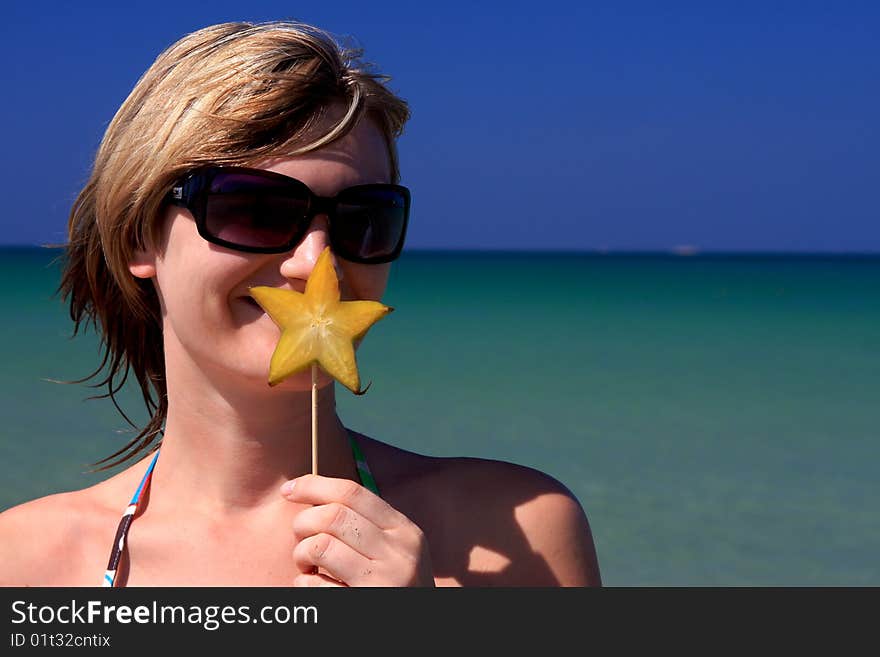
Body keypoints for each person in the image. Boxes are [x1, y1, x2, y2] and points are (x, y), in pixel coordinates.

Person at [0, 20, 601, 587]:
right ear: (138, 235)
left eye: (364, 218)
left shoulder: (520, 529)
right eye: (253, 208)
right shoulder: (25, 563)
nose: (318, 264)